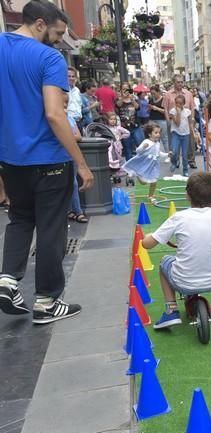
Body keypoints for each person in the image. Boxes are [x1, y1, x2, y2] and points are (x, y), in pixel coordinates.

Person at [0, 0, 93, 323]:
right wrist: (80, 162)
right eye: (56, 33)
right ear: (40, 24)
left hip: (11, 158)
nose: (57, 40)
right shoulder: (48, 58)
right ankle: (46, 302)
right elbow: (55, 114)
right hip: (48, 158)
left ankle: (8, 280)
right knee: (52, 228)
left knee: (20, 218)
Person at [142, 172, 211, 328]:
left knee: (164, 262)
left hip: (182, 281)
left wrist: (147, 236)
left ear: (187, 195)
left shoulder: (179, 217)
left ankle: (171, 310)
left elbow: (147, 245)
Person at [123, 122, 164, 203]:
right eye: (156, 133)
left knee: (154, 181)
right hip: (145, 164)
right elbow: (138, 151)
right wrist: (143, 147)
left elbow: (159, 153)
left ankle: (151, 196)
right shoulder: (147, 142)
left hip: (153, 165)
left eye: (159, 132)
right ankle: (137, 173)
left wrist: (167, 155)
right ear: (149, 134)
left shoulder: (158, 143)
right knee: (143, 183)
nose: (158, 134)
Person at [64, 93, 87, 224]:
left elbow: (78, 136)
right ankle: (69, 211)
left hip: (69, 154)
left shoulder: (69, 117)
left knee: (73, 182)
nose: (64, 105)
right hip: (55, 156)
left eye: (66, 103)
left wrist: (63, 136)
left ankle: (77, 211)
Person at [164, 75, 197, 168]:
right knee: (174, 142)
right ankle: (176, 160)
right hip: (173, 121)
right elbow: (166, 108)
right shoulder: (168, 94)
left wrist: (193, 119)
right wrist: (168, 120)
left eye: (182, 82)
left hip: (187, 120)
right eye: (178, 82)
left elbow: (192, 107)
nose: (180, 84)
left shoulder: (188, 93)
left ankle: (191, 160)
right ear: (174, 82)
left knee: (190, 141)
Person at [169, 94, 199, 178]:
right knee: (174, 151)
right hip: (176, 133)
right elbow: (177, 123)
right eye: (177, 103)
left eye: (180, 103)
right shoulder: (172, 111)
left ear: (183, 104)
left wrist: (194, 133)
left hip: (186, 134)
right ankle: (174, 162)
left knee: (185, 154)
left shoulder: (187, 111)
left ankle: (185, 170)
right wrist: (178, 113)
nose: (178, 105)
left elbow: (190, 123)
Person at [148, 84, 169, 156]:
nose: (153, 95)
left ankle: (168, 154)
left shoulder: (163, 99)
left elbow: (165, 111)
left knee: (164, 138)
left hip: (161, 120)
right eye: (151, 93)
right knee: (153, 139)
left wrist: (156, 108)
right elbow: (148, 110)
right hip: (152, 120)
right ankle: (155, 154)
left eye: (154, 93)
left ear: (158, 92)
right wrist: (149, 108)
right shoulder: (150, 99)